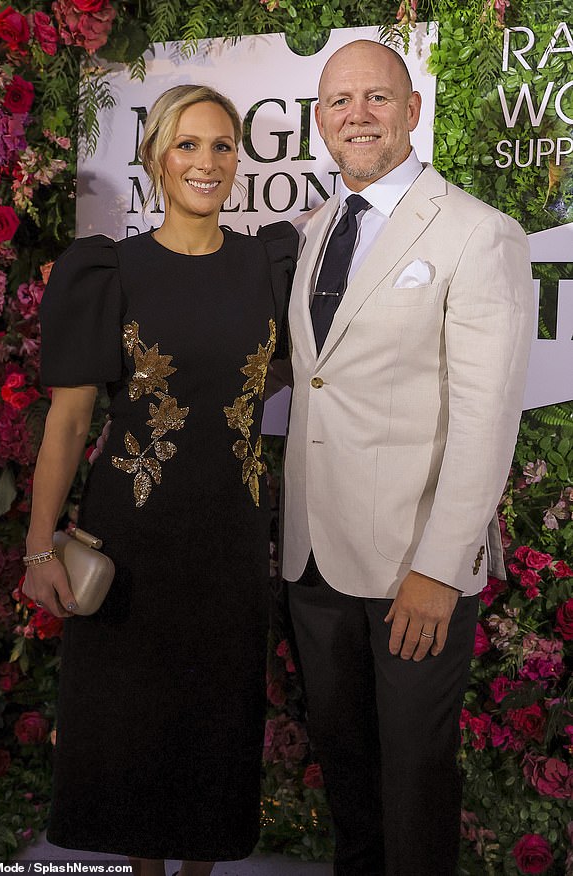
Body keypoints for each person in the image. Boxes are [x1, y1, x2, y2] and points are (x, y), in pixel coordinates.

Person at [23, 85, 296, 876]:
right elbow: (70, 424)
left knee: (216, 728)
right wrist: (41, 547)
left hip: (231, 538)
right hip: (135, 541)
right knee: (138, 733)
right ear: (155, 159)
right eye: (187, 145)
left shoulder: (268, 263)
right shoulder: (109, 271)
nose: (206, 163)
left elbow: (280, 378)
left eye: (221, 146)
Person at [281, 40, 535, 875]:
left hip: (410, 570)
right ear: (320, 120)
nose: (357, 114)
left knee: (416, 784)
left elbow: (486, 416)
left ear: (413, 111)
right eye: (338, 101)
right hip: (313, 556)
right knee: (348, 779)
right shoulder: (318, 229)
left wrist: (439, 563)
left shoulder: (477, 233)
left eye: (376, 98)